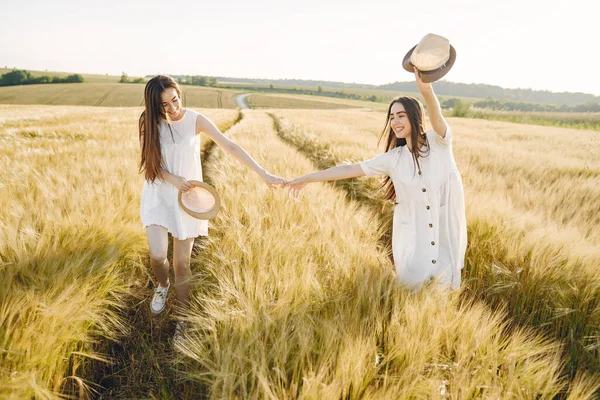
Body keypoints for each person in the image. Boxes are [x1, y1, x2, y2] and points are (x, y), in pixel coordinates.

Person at [287, 70, 467, 290]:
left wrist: (426, 90)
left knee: (443, 290)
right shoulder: (393, 159)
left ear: (414, 116)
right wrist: (308, 178)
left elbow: (436, 116)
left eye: (400, 115)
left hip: (443, 235)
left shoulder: (438, 143)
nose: (395, 121)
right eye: (391, 117)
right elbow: (349, 169)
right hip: (413, 239)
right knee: (412, 292)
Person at [138, 75, 285, 340]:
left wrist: (264, 174)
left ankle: (182, 320)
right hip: (159, 195)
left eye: (175, 99)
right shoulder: (147, 122)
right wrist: (172, 179)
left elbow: (229, 146)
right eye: (164, 106)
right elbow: (150, 165)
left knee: (182, 264)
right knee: (158, 255)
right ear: (153, 106)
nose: (173, 108)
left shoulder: (195, 119)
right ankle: (162, 285)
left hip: (189, 200)